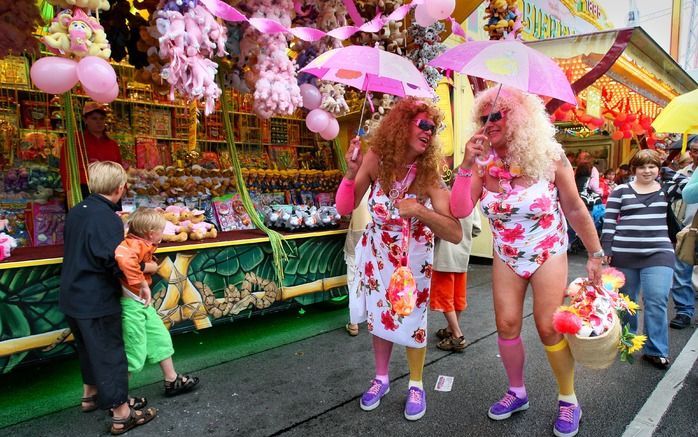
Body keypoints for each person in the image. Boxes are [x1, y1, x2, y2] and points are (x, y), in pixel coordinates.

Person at [450, 87, 603, 437]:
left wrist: (595, 254)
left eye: (496, 116)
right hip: (506, 253)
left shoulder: (549, 156)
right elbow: (459, 210)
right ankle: (517, 391)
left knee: (549, 325)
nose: (488, 124)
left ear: (517, 117)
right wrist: (465, 163)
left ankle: (568, 400)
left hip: (547, 247)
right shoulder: (483, 162)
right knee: (506, 324)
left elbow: (576, 208)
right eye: (482, 118)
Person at [335, 97, 462, 421]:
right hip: (378, 257)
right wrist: (350, 174)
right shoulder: (376, 159)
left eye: (433, 129)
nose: (429, 132)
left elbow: (454, 232)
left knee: (413, 320)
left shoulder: (428, 174)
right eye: (423, 125)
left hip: (413, 261)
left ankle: (416, 384)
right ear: (401, 125)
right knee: (380, 319)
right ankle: (381, 379)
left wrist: (420, 210)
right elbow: (344, 208)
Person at [59, 161, 157, 435]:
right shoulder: (108, 219)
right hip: (95, 298)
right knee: (109, 353)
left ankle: (91, 396)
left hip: (72, 295)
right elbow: (115, 261)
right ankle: (121, 413)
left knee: (89, 349)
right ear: (120, 187)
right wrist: (140, 282)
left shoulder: (78, 210)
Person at [602, 149, 686, 370]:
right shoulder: (620, 191)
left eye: (652, 166)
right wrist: (606, 248)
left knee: (656, 299)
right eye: (642, 167)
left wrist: (669, 170)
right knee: (626, 302)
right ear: (633, 170)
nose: (647, 171)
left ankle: (656, 350)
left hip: (659, 253)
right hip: (624, 253)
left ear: (658, 169)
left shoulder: (666, 189)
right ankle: (628, 341)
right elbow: (609, 221)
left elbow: (690, 187)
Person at [115, 208, 200, 395]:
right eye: (161, 230)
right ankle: (119, 399)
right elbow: (123, 258)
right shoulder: (133, 245)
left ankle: (171, 379)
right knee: (134, 350)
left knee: (160, 336)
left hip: (140, 303)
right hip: (131, 304)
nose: (163, 234)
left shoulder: (141, 243)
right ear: (151, 233)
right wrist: (142, 282)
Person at [431, 211, 481, 351]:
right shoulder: (469, 201)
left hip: (443, 256)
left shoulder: (440, 200)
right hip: (462, 255)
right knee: (457, 296)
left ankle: (457, 335)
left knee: (444, 298)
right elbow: (476, 228)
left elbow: (431, 228)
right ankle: (449, 329)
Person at [60, 101, 123, 202]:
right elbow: (66, 167)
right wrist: (69, 190)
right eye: (94, 118)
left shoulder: (112, 144)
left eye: (101, 118)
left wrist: (123, 187)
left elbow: (119, 167)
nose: (99, 122)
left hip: (110, 188)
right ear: (85, 119)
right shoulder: (74, 141)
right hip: (83, 188)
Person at [668, 141, 698, 330]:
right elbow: (688, 195)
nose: (696, 154)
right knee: (682, 269)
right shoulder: (688, 171)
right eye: (694, 150)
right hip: (691, 227)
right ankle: (684, 311)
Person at [344, 192, 371, 336]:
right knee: (374, 280)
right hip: (377, 239)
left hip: (357, 236)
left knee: (353, 280)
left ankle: (354, 323)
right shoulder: (384, 185)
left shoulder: (357, 184)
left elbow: (344, 210)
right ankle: (375, 318)